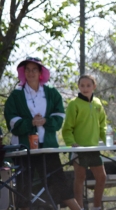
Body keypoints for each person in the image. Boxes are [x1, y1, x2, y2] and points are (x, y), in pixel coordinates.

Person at [4, 57, 81, 210]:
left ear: (40, 72)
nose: (31, 73)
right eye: (27, 70)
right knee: (24, 186)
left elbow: (60, 116)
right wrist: (30, 123)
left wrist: (46, 121)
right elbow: (11, 119)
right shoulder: (16, 95)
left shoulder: (51, 92)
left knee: (59, 181)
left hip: (48, 147)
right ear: (23, 72)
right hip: (24, 149)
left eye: (34, 69)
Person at [62, 75, 107, 210]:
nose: (85, 88)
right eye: (82, 85)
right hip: (79, 150)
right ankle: (79, 208)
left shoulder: (98, 103)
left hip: (94, 149)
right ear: (78, 87)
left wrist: (109, 140)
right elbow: (67, 128)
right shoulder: (73, 104)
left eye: (88, 85)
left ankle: (97, 207)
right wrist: (72, 143)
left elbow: (103, 126)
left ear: (94, 86)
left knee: (102, 177)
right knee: (80, 178)